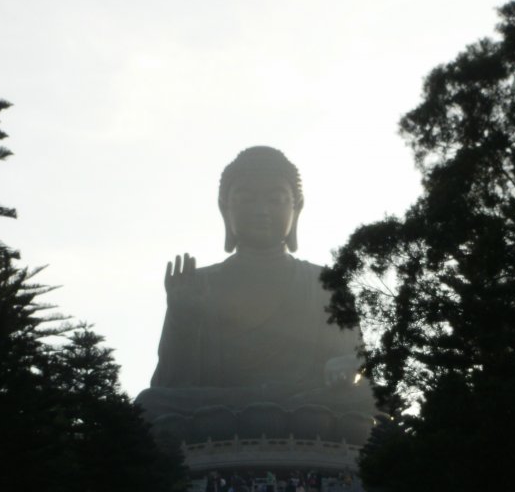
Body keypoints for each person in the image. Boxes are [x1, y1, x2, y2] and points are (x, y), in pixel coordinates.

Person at [136, 147, 375, 438]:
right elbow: (170, 384)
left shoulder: (325, 283)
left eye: (275, 199)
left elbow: (354, 360)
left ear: (296, 209)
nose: (261, 210)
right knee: (150, 404)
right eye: (247, 199)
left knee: (361, 399)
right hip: (225, 404)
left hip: (304, 400)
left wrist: (346, 364)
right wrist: (181, 317)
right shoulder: (198, 283)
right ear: (225, 209)